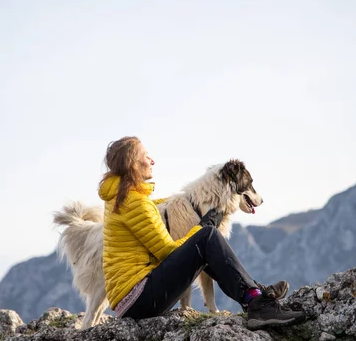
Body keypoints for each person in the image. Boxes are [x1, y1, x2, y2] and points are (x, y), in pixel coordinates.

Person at [98, 136, 306, 329]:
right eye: (146, 156)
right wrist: (202, 227)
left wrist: (191, 200)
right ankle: (258, 303)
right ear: (132, 164)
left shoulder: (123, 197)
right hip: (139, 299)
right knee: (207, 236)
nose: (152, 160)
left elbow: (151, 209)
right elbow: (166, 251)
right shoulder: (132, 201)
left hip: (135, 298)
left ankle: (257, 294)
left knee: (206, 237)